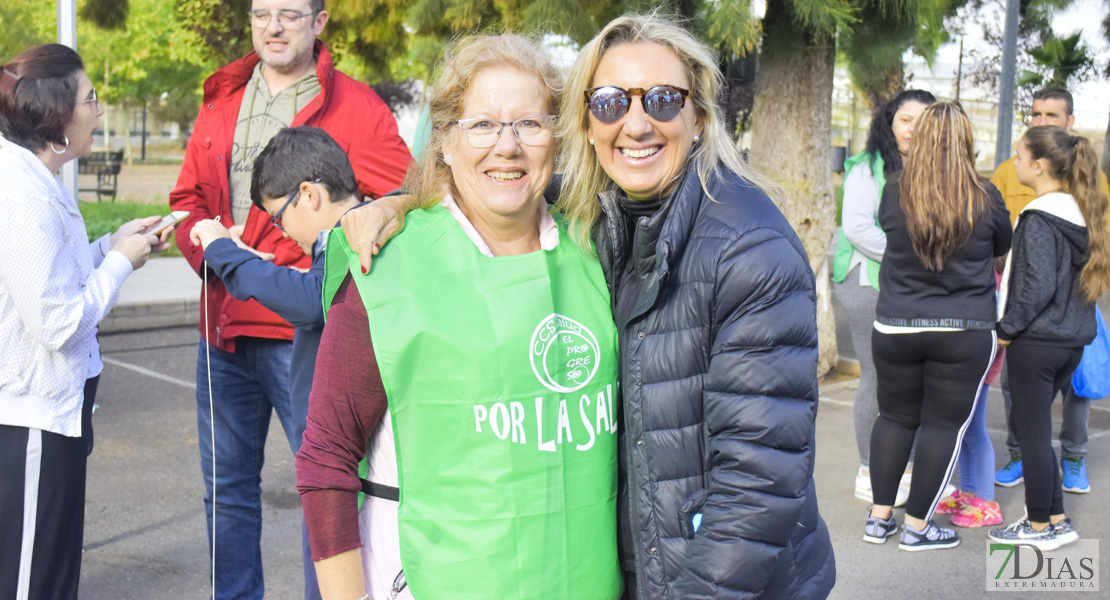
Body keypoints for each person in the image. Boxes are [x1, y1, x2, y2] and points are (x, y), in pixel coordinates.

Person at [338, 14, 836, 599]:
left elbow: (757, 487)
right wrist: (403, 206)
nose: (636, 122)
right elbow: (502, 183)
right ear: (587, 124)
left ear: (699, 116)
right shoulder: (606, 216)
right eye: (609, 103)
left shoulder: (748, 249)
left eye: (662, 99)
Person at [296, 34, 622, 600]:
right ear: (444, 141)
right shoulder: (388, 267)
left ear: (557, 137)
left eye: (530, 124)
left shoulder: (599, 251)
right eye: (482, 125)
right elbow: (327, 459)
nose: (508, 146)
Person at [168, 0, 410, 597]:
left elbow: (408, 193)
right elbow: (188, 201)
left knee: (325, 487)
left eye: (289, 14)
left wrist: (368, 232)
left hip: (301, 334)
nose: (272, 26)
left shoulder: (358, 108)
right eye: (260, 13)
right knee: (226, 491)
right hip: (223, 332)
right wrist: (213, 255)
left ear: (320, 21)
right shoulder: (221, 99)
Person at [0, 44, 171, 600]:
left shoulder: (40, 180)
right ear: (56, 116)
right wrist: (123, 263)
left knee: (51, 577)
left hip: (56, 422)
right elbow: (58, 321)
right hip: (32, 426)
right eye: (90, 99)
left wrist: (112, 244)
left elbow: (56, 274)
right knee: (33, 584)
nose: (98, 111)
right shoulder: (22, 195)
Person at [863, 102, 1011, 552]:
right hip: (964, 329)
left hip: (896, 325)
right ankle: (918, 527)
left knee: (894, 418)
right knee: (942, 427)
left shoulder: (895, 190)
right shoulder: (985, 196)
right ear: (966, 142)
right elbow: (1002, 245)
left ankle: (878, 519)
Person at [989, 126, 1110, 549]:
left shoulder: (1040, 216)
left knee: (1033, 433)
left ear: (1039, 166)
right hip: (1070, 343)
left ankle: (1038, 526)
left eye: (1020, 156)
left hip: (1037, 343)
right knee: (1037, 429)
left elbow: (1034, 286)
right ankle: (1057, 518)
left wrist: (1005, 331)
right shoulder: (1081, 213)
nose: (1015, 162)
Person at [832, 89, 935, 507]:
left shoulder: (932, 168)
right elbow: (857, 228)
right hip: (869, 284)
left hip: (910, 286)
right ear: (889, 123)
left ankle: (903, 466)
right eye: (904, 119)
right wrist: (911, 258)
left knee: (908, 381)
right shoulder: (866, 168)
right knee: (877, 378)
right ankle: (868, 469)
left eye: (922, 120)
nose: (912, 128)